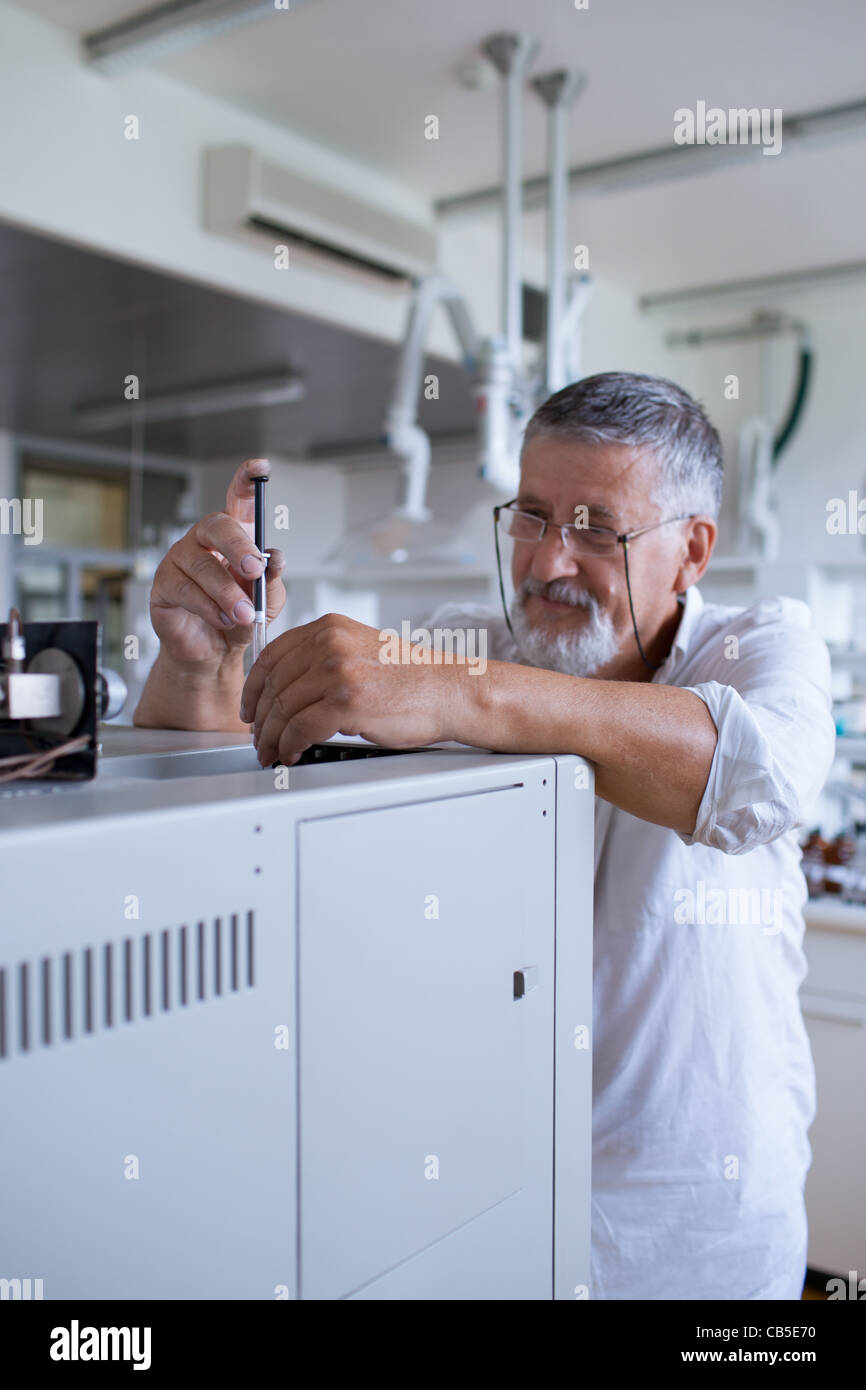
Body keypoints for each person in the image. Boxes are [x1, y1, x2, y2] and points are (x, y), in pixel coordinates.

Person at [134, 371, 836, 1300]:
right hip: (490, 1216)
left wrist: (463, 692)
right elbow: (245, 759)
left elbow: (759, 781)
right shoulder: (468, 644)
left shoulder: (759, 646)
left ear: (694, 550)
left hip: (696, 1245)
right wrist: (206, 664)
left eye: (597, 529)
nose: (549, 563)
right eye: (533, 516)